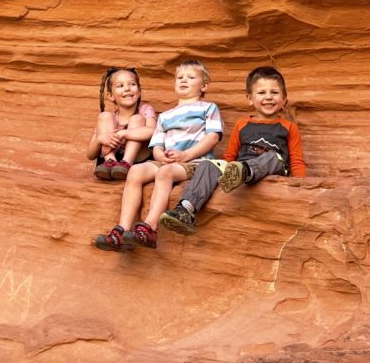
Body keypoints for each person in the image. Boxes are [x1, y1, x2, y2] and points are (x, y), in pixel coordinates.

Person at [159, 65, 305, 235]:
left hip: (272, 166)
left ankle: (245, 171)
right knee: (209, 165)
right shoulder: (242, 123)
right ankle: (186, 209)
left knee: (274, 156)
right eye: (262, 93)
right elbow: (229, 155)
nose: (268, 98)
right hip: (239, 167)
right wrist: (222, 168)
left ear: (284, 100)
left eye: (274, 93)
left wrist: (299, 186)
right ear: (250, 98)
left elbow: (296, 159)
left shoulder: (288, 127)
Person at [92, 59, 221, 251]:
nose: (183, 80)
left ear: (204, 86)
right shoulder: (166, 115)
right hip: (168, 160)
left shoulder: (208, 108)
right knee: (135, 171)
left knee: (165, 173)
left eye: (191, 77)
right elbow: (157, 145)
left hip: (195, 161)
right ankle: (122, 230)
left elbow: (212, 138)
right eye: (179, 77)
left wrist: (185, 155)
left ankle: (150, 227)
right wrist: (160, 156)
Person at [86, 66, 156, 180]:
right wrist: (101, 139)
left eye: (132, 84)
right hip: (107, 165)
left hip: (136, 160)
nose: (127, 88)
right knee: (104, 116)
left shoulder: (145, 110)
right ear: (111, 96)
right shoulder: (110, 119)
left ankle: (126, 163)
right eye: (120, 86)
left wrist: (123, 133)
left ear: (139, 91)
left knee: (137, 119)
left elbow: (152, 132)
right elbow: (90, 155)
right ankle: (110, 161)